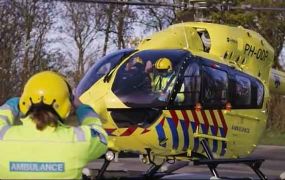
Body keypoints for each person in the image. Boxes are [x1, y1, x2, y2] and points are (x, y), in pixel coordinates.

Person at [0, 71, 108, 179]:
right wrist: (82, 107)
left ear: (24, 102)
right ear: (66, 105)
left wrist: (13, 103)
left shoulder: (2, 137)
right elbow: (100, 135)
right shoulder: (80, 140)